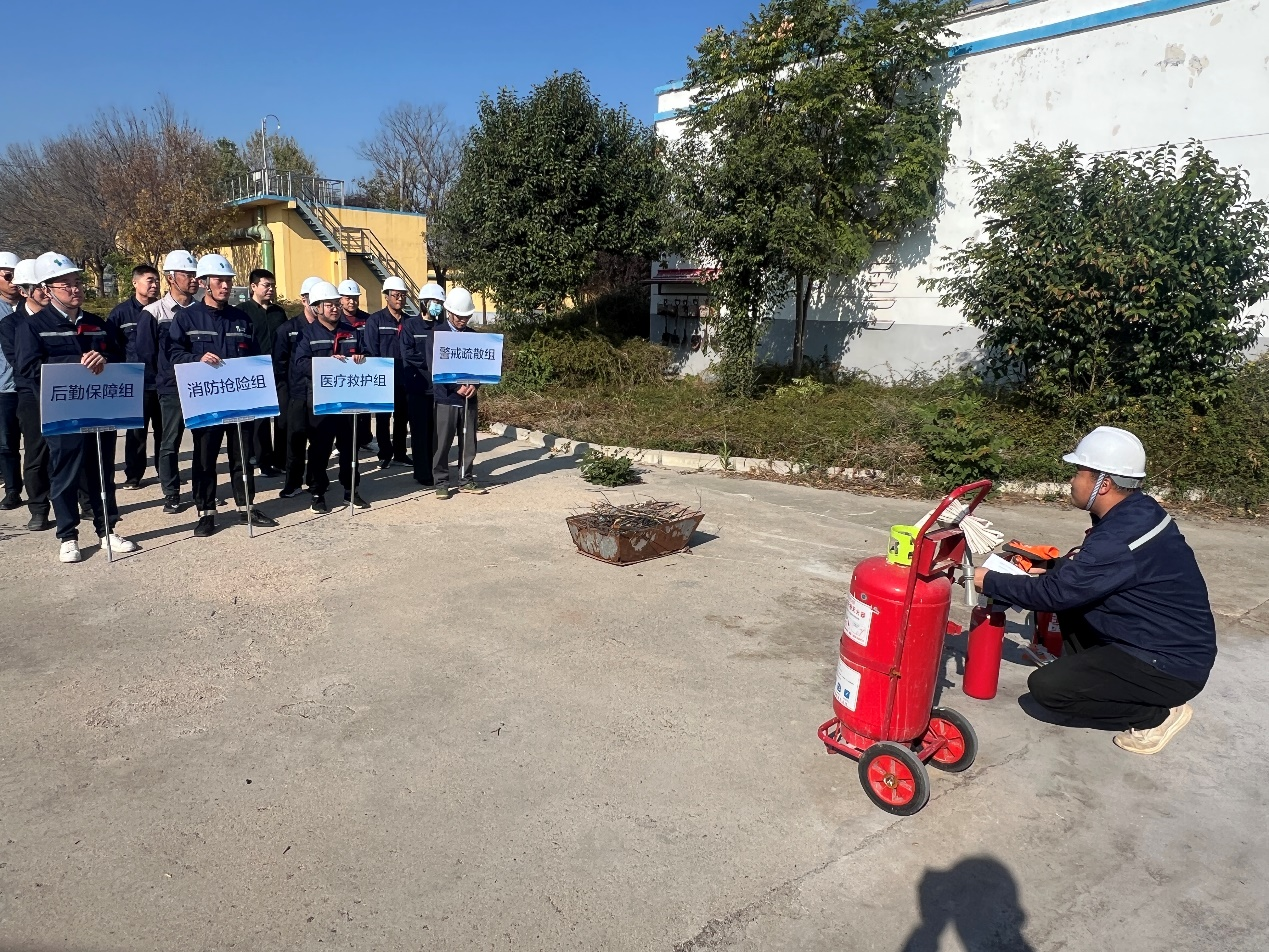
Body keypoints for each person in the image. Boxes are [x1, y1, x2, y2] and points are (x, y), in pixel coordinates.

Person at [974, 426, 1216, 755]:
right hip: (1160, 640)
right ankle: (1092, 675)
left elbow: (1055, 594)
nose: (1072, 481)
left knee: (1048, 690)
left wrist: (988, 580)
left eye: (1078, 472)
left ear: (1103, 484)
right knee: (1072, 598)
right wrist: (1052, 566)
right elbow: (1097, 574)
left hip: (1169, 666)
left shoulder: (1119, 537)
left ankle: (1157, 716)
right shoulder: (1138, 512)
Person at [14, 253, 138, 562]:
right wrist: (75, 363)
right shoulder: (34, 327)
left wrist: (104, 359)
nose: (75, 289)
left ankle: (107, 529)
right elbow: (28, 368)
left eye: (77, 282)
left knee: (102, 471)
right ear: (47, 289)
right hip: (63, 412)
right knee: (65, 473)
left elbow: (121, 358)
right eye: (66, 284)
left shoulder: (97, 325)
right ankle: (68, 536)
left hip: (100, 408)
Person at [165, 254, 279, 537]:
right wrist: (196, 358)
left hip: (239, 401)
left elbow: (254, 358)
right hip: (207, 401)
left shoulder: (241, 319)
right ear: (204, 282)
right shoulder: (187, 318)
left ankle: (246, 507)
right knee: (205, 458)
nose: (225, 286)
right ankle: (206, 513)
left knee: (242, 455)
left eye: (228, 280)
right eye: (219, 280)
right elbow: (173, 354)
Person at [292, 280, 368, 513]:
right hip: (321, 401)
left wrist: (362, 358)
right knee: (320, 448)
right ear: (317, 308)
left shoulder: (352, 332)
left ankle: (351, 489)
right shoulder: (307, 334)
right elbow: (300, 363)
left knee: (350, 447)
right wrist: (326, 364)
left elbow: (368, 354)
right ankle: (317, 492)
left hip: (348, 400)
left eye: (336, 303)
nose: (335, 308)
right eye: (329, 304)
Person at [144, 250, 200, 514]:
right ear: (170, 278)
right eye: (187, 274)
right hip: (171, 387)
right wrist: (163, 378)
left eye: (195, 274)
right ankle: (171, 493)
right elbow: (146, 353)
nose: (193, 279)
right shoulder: (153, 312)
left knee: (203, 441)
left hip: (201, 386)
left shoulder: (201, 311)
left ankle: (202, 490)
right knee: (170, 441)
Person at [5, 258, 53, 529]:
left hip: (63, 392)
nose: (46, 292)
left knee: (74, 449)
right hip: (31, 394)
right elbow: (20, 363)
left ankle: (86, 503)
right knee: (36, 452)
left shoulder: (60, 318)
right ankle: (39, 508)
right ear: (24, 291)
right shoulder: (11, 324)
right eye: (40, 287)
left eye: (48, 286)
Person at [108, 264, 162, 491]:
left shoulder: (163, 309)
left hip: (162, 380)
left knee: (164, 431)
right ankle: (133, 475)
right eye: (150, 280)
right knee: (137, 432)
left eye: (157, 280)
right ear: (135, 283)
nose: (154, 285)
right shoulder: (121, 313)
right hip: (136, 381)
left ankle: (166, 472)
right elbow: (113, 347)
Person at [430, 287, 484, 499]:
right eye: (459, 316)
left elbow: (483, 367)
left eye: (466, 316)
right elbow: (434, 366)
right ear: (449, 312)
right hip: (446, 398)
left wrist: (475, 386)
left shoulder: (474, 337)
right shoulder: (437, 335)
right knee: (442, 443)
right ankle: (441, 482)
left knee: (468, 442)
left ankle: (466, 478)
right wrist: (455, 387)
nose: (462, 320)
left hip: (469, 399)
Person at [275, 276, 322, 498]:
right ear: (304, 300)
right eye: (314, 299)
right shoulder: (288, 329)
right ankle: (293, 483)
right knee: (295, 441)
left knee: (319, 442)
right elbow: (279, 364)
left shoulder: (328, 330)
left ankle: (315, 480)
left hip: (321, 394)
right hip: (297, 394)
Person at [361, 276, 413, 470]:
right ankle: (385, 454)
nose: (399, 299)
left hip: (404, 378)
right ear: (386, 296)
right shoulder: (375, 320)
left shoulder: (409, 322)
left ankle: (400, 453)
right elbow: (370, 349)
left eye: (403, 295)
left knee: (402, 418)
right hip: (383, 378)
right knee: (383, 419)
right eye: (396, 295)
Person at [241, 268, 288, 478]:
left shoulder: (279, 312)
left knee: (283, 418)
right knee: (260, 420)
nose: (270, 289)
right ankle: (263, 461)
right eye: (266, 285)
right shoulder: (243, 312)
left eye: (272, 285)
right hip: (255, 372)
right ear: (253, 286)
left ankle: (282, 459)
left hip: (279, 371)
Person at [399, 283, 445, 486]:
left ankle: (436, 468)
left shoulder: (442, 327)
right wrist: (432, 362)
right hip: (417, 386)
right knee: (419, 432)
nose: (438, 306)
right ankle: (422, 472)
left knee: (436, 432)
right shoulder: (410, 326)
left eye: (440, 303)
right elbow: (408, 353)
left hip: (438, 388)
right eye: (435, 302)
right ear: (424, 303)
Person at [337, 279, 376, 454]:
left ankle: (365, 439)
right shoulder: (337, 320)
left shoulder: (367, 319)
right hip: (343, 369)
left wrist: (366, 355)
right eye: (348, 298)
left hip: (362, 368)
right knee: (344, 410)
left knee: (364, 409)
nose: (352, 301)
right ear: (340, 299)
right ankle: (342, 443)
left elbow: (371, 344)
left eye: (355, 298)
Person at [0, 251, 22, 509]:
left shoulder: (34, 306)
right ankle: (13, 489)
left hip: (31, 386)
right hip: (4, 388)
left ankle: (45, 488)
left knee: (41, 443)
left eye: (17, 276)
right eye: (8, 276)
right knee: (7, 443)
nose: (13, 281)